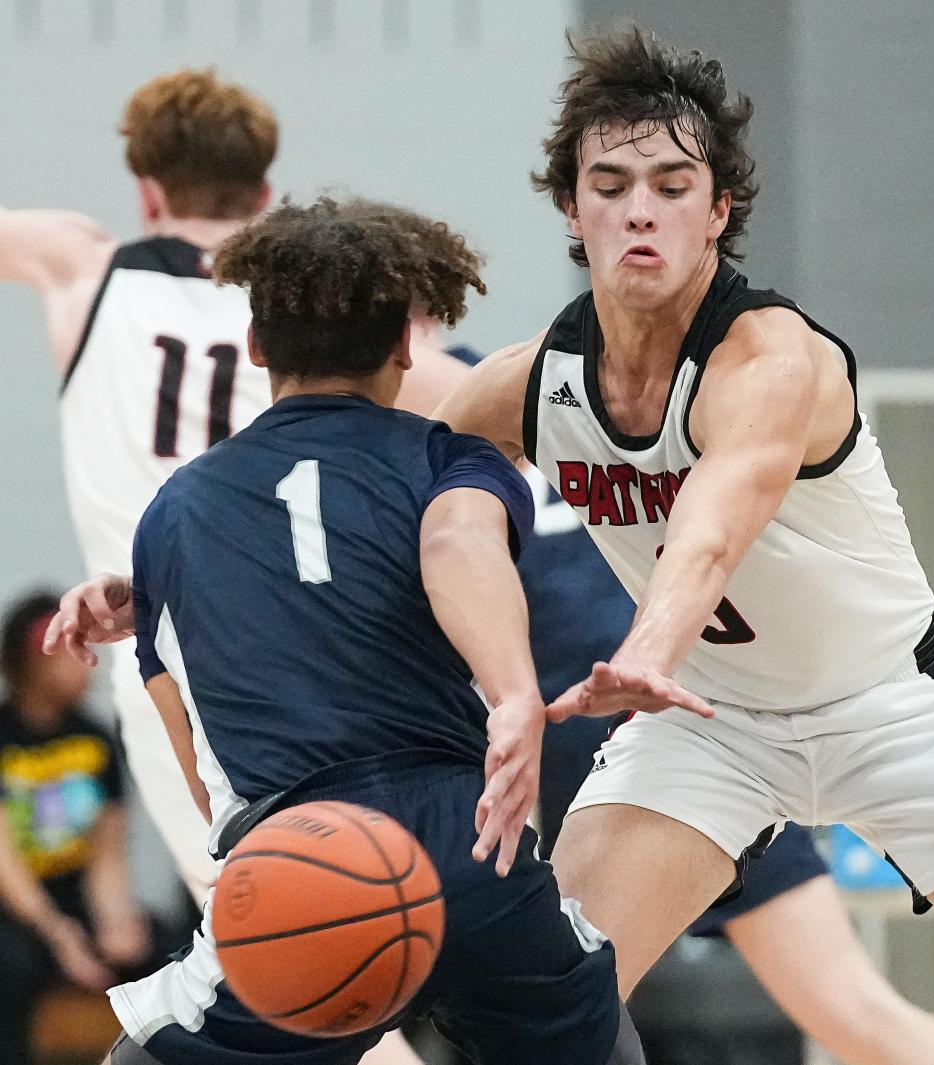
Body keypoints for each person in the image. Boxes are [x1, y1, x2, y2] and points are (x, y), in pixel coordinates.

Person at [433, 27, 934, 1065]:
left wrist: (645, 655)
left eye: (674, 184)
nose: (640, 207)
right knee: (537, 1015)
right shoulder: (529, 384)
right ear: (572, 211)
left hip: (890, 705)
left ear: (719, 211)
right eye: (612, 182)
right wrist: (167, 571)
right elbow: (379, 487)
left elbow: (711, 531)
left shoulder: (773, 357)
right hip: (711, 729)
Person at [46, 197, 644, 1065]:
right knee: (594, 1036)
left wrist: (255, 857)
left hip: (306, 856)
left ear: (256, 346)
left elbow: (194, 753)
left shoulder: (172, 513)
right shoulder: (452, 458)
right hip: (472, 843)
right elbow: (459, 541)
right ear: (408, 344)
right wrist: (513, 687)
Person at [0, 69, 277, 904]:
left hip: (159, 645)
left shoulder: (87, 271)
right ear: (265, 192)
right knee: (308, 934)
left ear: (147, 194)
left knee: (266, 936)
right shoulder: (303, 296)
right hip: (297, 637)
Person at [0, 592, 152, 1065]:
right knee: (15, 965)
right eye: (70, 654)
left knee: (163, 950)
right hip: (16, 906)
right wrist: (57, 933)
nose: (87, 665)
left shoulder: (96, 738)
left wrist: (116, 919)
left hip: (73, 895)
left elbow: (107, 853)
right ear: (31, 662)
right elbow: (5, 862)